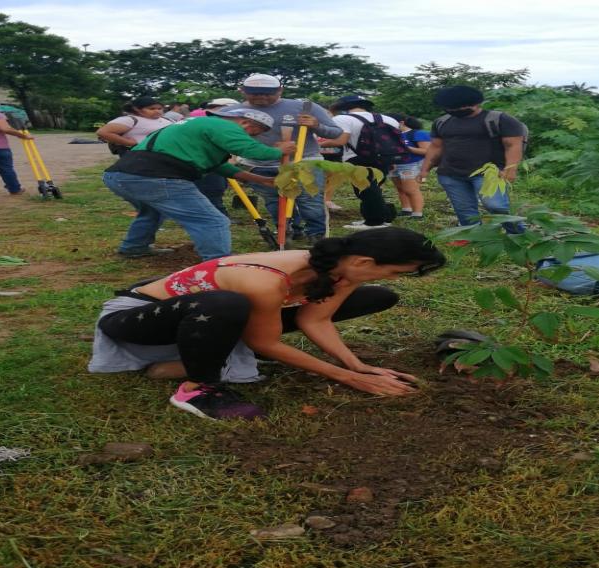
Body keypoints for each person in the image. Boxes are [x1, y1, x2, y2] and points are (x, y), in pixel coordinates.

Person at [88, 227, 446, 420]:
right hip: (136, 320)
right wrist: (346, 378)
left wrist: (357, 365)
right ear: (365, 261)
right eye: (397, 271)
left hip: (208, 320)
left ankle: (192, 359)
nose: (398, 277)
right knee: (226, 303)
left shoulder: (343, 272)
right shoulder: (264, 279)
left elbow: (315, 318)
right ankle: (199, 386)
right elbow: (265, 342)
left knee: (377, 296)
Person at [102, 107, 295, 259]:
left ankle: (134, 247)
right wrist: (280, 150)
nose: (252, 136)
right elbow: (253, 151)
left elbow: (218, 167)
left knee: (152, 211)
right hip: (158, 177)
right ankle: (218, 261)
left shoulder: (195, 125)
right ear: (246, 123)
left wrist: (262, 180)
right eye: (256, 132)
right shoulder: (224, 126)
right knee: (212, 220)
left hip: (121, 176)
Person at [235, 73, 342, 244]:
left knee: (310, 200)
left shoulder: (306, 108)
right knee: (274, 200)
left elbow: (336, 133)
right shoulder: (233, 112)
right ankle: (289, 229)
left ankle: (317, 235)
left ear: (280, 90)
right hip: (259, 164)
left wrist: (316, 125)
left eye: (268, 93)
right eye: (255, 93)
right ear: (243, 91)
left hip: (303, 161)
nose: (262, 97)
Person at [418, 85, 527, 233]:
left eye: (460, 107)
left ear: (476, 103)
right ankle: (472, 236)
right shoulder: (442, 122)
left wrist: (510, 169)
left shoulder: (499, 119)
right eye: (451, 107)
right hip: (450, 173)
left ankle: (518, 234)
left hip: (489, 174)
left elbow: (513, 145)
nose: (456, 110)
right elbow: (436, 147)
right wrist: (425, 169)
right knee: (464, 209)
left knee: (496, 206)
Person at [320, 95, 401, 230]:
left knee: (365, 190)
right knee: (374, 188)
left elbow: (341, 141)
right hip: (385, 157)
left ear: (343, 107)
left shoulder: (343, 118)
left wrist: (317, 144)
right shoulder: (388, 119)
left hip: (358, 157)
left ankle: (375, 222)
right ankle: (375, 217)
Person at [191, 98, 240, 215]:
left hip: (216, 165)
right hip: (205, 165)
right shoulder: (206, 125)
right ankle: (219, 218)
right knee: (212, 192)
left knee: (216, 191)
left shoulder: (223, 124)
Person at [96, 97, 174, 156]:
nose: (157, 111)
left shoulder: (168, 120)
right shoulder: (130, 120)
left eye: (160, 108)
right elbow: (103, 132)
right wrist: (129, 142)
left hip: (165, 153)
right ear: (137, 109)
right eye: (152, 108)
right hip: (138, 155)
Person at [388, 113, 430, 219]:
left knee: (411, 189)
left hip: (411, 164)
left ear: (401, 123)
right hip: (394, 164)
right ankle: (406, 209)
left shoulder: (418, 133)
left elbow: (427, 151)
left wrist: (406, 148)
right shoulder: (391, 134)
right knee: (400, 188)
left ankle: (417, 214)